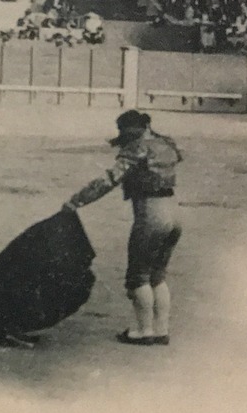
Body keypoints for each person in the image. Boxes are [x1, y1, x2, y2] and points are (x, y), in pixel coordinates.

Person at [62, 110, 183, 346]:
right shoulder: (166, 144)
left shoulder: (136, 148)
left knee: (139, 276)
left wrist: (76, 201)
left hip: (151, 214)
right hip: (175, 212)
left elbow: (108, 181)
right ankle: (161, 330)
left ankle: (143, 331)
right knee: (158, 274)